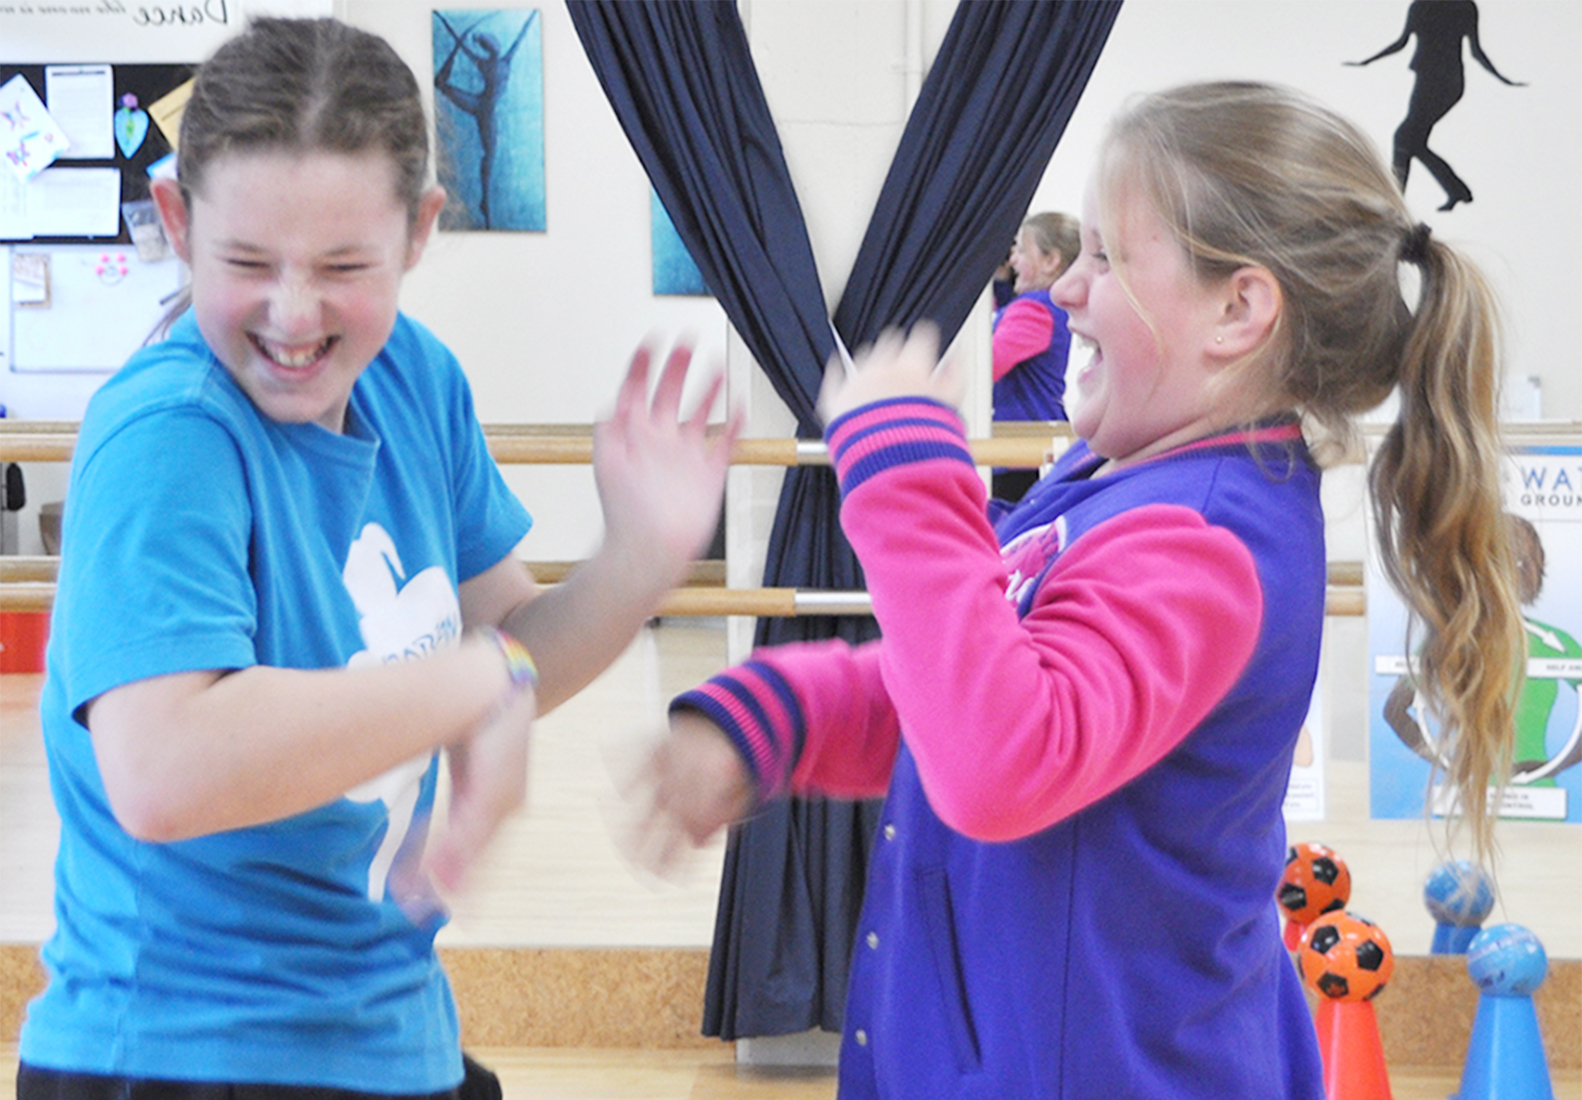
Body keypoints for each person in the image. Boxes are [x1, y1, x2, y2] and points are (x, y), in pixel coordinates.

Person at [629, 81, 1524, 1099]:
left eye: (1105, 257)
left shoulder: (1201, 539)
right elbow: (955, 678)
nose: (1061, 292)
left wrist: (906, 476)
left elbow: (1003, 756)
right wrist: (775, 715)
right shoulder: (1110, 486)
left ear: (1237, 309)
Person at [17, 17, 734, 1100]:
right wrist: (478, 681)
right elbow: (164, 771)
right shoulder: (170, 432)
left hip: (384, 1024)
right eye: (248, 261)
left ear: (419, 231)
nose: (293, 313)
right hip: (180, 1048)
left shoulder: (415, 379)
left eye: (344, 265)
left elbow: (514, 650)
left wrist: (638, 559)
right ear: (174, 219)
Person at [1347, 0, 1525, 211]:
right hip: (1432, 78)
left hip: (1443, 83)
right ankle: (1452, 191)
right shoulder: (1429, 6)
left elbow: (1475, 52)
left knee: (1404, 138)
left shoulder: (1457, 7)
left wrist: (1503, 79)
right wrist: (1367, 61)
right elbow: (1403, 42)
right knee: (1412, 142)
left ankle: (1395, 200)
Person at [990, 211, 1079, 501]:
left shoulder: (1036, 308)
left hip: (1020, 450)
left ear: (1050, 261)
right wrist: (1001, 281)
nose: (1012, 259)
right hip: (1025, 447)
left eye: (1020, 250)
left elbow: (989, 362)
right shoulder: (1044, 305)